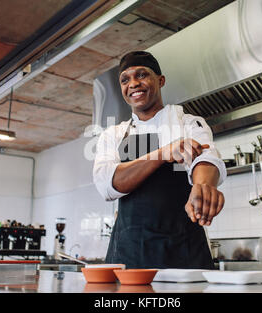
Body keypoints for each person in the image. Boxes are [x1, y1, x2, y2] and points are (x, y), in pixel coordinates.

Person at [93, 51, 226, 269]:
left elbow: (206, 158)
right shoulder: (113, 135)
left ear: (160, 81)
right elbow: (107, 184)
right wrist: (163, 153)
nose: (133, 84)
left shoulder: (188, 123)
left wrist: (203, 186)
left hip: (184, 251)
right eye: (125, 79)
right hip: (130, 255)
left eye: (142, 75)